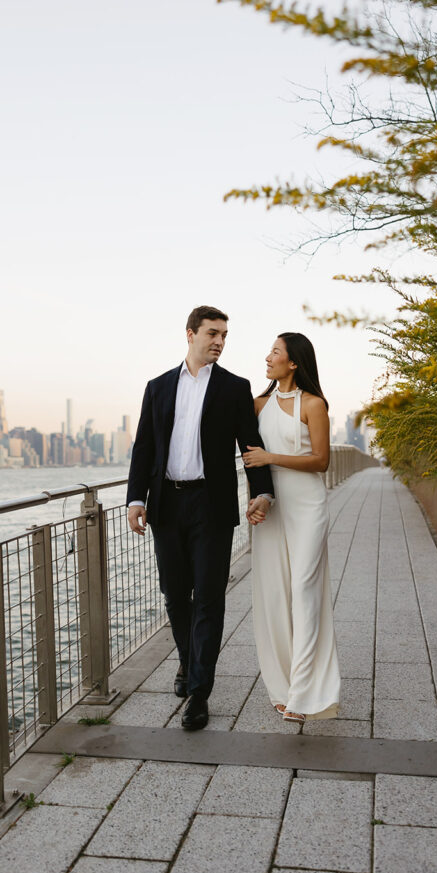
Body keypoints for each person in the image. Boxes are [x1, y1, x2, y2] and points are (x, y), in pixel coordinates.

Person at [127, 306, 274, 730]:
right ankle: (188, 661)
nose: (219, 342)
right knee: (174, 593)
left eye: (224, 335)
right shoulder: (157, 388)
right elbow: (144, 448)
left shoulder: (234, 387)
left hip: (211, 506)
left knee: (209, 597)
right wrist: (136, 498)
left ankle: (198, 692)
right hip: (167, 506)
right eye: (212, 333)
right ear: (190, 334)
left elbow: (251, 446)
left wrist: (261, 492)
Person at [243, 332, 340, 723]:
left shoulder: (314, 405)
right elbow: (248, 459)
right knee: (273, 594)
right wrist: (255, 497)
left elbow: (321, 461)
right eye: (269, 351)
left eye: (276, 352)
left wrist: (271, 456)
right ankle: (281, 687)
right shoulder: (257, 405)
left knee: (303, 590)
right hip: (270, 506)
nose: (268, 357)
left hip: (306, 506)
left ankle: (305, 693)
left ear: (294, 362)